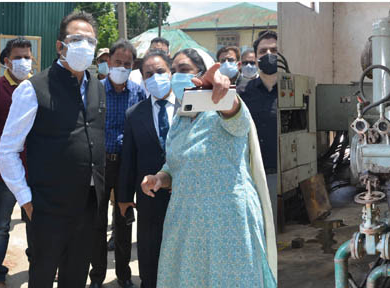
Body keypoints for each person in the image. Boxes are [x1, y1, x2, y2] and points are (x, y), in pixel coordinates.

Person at [139, 51, 277, 286]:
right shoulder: (181, 118)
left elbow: (239, 121)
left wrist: (224, 94)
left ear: (202, 75)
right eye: (175, 71)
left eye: (184, 69)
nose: (176, 76)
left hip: (226, 225)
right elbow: (176, 164)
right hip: (187, 226)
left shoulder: (222, 108)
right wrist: (161, 178)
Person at [0, 11, 106, 287]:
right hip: (47, 208)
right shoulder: (33, 89)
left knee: (76, 276)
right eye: (77, 39)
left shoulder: (97, 88)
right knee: (43, 276)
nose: (85, 46)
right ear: (61, 46)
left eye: (90, 41)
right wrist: (26, 200)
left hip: (88, 204)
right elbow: (7, 151)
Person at [116, 49, 183, 288]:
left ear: (171, 72)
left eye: (160, 71)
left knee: (182, 251)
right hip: (149, 197)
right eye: (148, 74)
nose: (155, 77)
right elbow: (129, 159)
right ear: (143, 79)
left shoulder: (191, 109)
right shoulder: (135, 114)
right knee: (149, 252)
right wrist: (124, 197)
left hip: (185, 195)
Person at [88, 39, 145, 288]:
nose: (121, 67)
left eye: (127, 64)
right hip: (99, 165)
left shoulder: (138, 92)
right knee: (97, 222)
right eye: (117, 62)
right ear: (108, 62)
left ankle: (123, 274)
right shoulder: (93, 90)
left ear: (133, 66)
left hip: (126, 165)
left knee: (123, 221)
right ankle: (97, 276)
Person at [0, 36, 33, 288]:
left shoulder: (35, 87)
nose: (24, 61)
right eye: (18, 57)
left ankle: (37, 260)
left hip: (32, 169)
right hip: (3, 172)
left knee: (35, 221)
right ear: (6, 61)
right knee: (1, 225)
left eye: (27, 56)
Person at [238, 30, 279, 226]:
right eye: (263, 51)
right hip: (252, 173)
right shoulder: (242, 93)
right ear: (255, 57)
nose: (269, 55)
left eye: (275, 50)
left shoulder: (293, 90)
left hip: (282, 174)